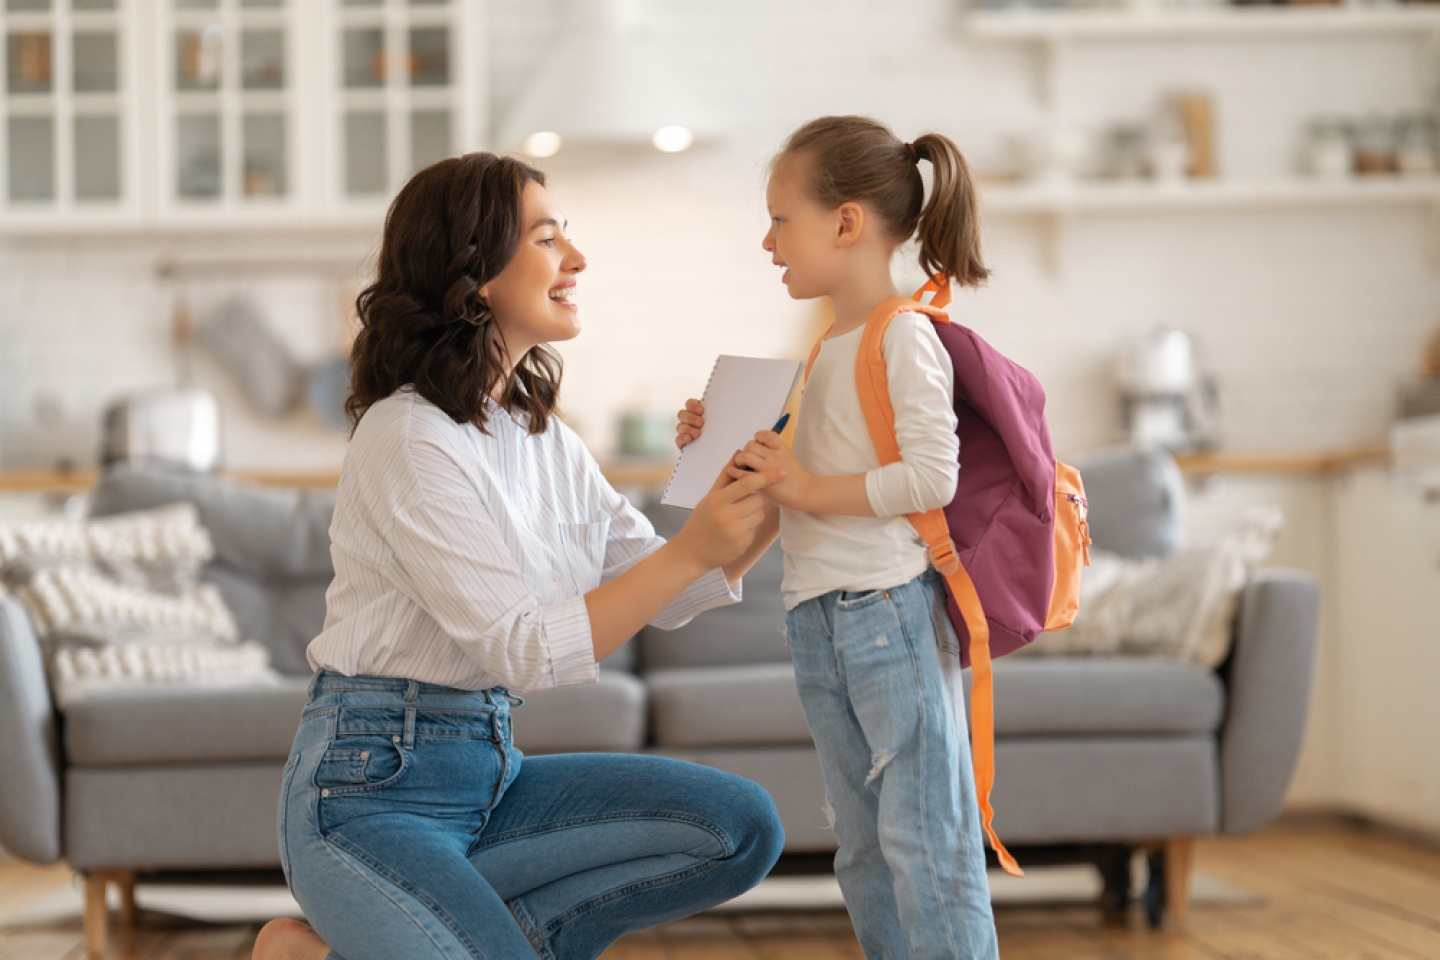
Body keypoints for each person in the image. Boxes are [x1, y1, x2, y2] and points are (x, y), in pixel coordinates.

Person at [253, 152, 787, 960]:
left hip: (491, 773)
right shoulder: (407, 436)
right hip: (370, 791)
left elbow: (675, 587)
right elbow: (523, 648)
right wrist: (693, 550)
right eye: (547, 238)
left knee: (738, 827)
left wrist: (762, 494)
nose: (576, 258)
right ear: (474, 275)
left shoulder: (543, 439)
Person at [676, 116, 1000, 958]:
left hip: (887, 613)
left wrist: (806, 483)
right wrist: (719, 444)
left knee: (928, 845)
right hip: (819, 622)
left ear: (845, 222)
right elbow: (780, 489)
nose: (768, 240)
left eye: (782, 218)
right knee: (863, 852)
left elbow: (934, 477)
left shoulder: (904, 335)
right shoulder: (822, 352)